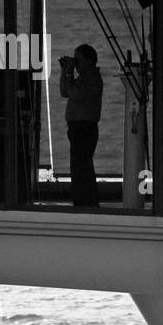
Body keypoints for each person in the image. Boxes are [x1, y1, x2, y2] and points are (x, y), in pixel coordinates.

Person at [59, 44, 103, 208]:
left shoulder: (91, 77)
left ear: (88, 60)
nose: (76, 63)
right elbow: (65, 92)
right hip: (78, 128)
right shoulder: (83, 77)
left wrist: (70, 72)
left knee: (82, 168)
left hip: (85, 128)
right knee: (79, 168)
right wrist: (65, 72)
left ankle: (86, 202)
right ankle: (83, 201)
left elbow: (75, 94)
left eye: (78, 59)